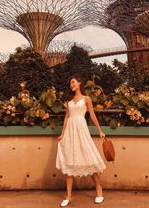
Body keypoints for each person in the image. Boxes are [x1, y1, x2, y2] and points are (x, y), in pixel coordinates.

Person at [55, 75, 106, 207]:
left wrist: (100, 131)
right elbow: (66, 117)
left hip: (82, 131)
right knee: (70, 162)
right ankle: (69, 196)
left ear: (79, 82)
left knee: (90, 159)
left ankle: (99, 190)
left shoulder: (86, 99)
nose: (71, 85)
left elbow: (93, 115)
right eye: (70, 83)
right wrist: (62, 134)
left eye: (73, 82)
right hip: (71, 133)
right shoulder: (69, 101)